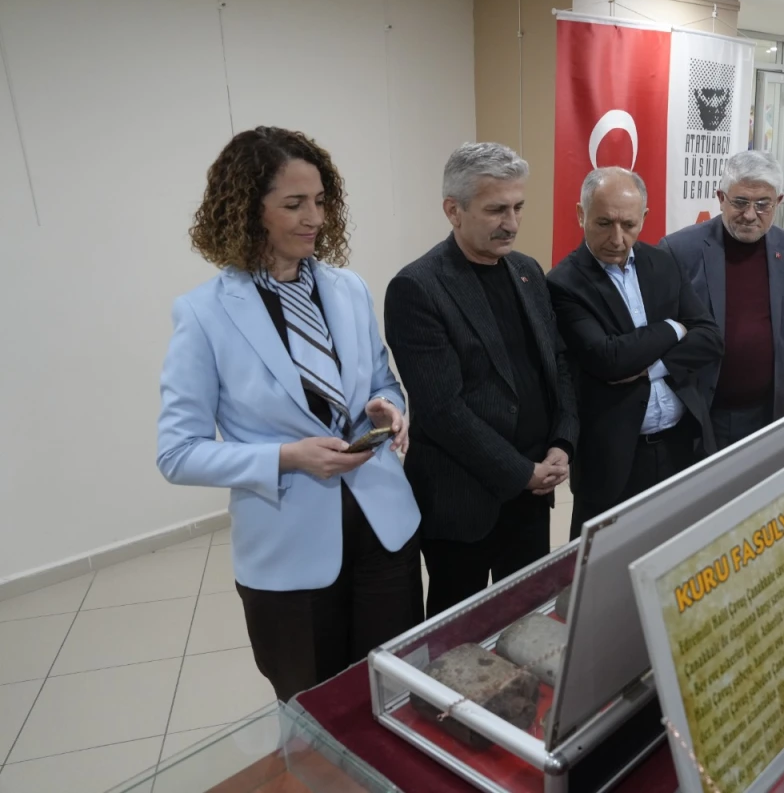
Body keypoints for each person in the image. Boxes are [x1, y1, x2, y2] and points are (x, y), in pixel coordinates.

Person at [157, 127, 422, 701]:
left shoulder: (348, 289)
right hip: (290, 551)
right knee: (315, 708)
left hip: (384, 528)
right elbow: (177, 453)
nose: (315, 218)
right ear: (248, 211)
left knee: (393, 693)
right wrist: (286, 457)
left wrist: (390, 409)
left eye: (321, 201)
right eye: (294, 204)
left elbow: (383, 381)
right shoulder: (203, 315)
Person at [384, 143, 577, 617]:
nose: (512, 223)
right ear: (454, 210)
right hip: (463, 499)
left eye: (518, 207)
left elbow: (557, 363)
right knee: (458, 631)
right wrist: (522, 472)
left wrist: (563, 441)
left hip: (532, 493)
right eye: (496, 210)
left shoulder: (527, 271)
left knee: (528, 617)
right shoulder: (418, 288)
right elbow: (442, 410)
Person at [547, 167, 723, 538]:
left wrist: (650, 367)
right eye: (603, 223)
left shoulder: (662, 262)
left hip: (680, 443)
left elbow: (709, 337)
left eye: (628, 225)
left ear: (643, 218)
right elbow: (610, 360)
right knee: (604, 565)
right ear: (581, 215)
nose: (617, 238)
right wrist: (673, 328)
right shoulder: (564, 283)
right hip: (614, 459)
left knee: (679, 551)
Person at [659, 150, 784, 449]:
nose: (750, 215)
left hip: (767, 409)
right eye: (740, 202)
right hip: (700, 412)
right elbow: (662, 332)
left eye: (763, 204)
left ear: (778, 201)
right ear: (721, 198)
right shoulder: (679, 250)